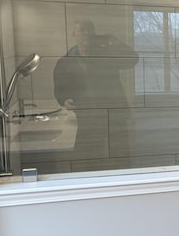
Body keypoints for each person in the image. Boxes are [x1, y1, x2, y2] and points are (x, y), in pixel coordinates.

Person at [53, 20, 139, 162]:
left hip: (114, 113)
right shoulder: (66, 61)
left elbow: (133, 59)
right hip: (87, 116)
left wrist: (116, 43)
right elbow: (60, 87)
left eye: (88, 30)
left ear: (93, 34)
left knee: (121, 155)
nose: (85, 33)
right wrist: (63, 99)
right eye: (81, 29)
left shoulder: (106, 54)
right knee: (89, 156)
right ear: (74, 34)